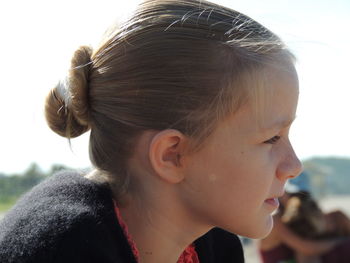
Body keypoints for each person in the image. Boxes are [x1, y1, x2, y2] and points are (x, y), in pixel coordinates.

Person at [0, 0, 302, 262]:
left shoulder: (215, 245)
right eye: (271, 137)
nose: (294, 166)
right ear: (172, 155)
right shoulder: (61, 249)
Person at [259, 189, 350, 263]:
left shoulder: (293, 220)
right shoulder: (277, 221)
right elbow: (306, 247)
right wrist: (341, 241)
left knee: (338, 216)